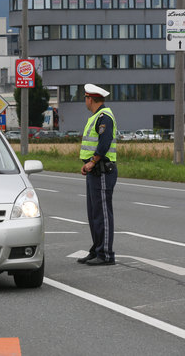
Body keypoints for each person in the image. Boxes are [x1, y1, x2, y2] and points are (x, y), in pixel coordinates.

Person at [78, 83, 117, 266]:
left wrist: (92, 161)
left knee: (102, 213)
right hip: (94, 170)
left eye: (85, 98)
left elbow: (104, 142)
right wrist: (87, 164)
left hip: (101, 170)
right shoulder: (95, 117)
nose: (85, 101)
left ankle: (106, 254)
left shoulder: (104, 116)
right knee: (94, 213)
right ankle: (97, 249)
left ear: (90, 99)